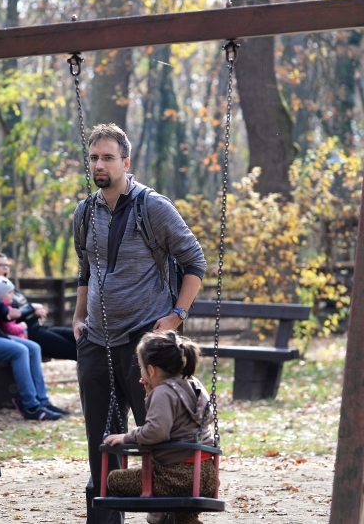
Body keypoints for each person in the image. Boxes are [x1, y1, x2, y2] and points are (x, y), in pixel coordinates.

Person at [73, 123, 206, 523]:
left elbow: (195, 261)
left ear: (126, 162)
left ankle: (167, 516)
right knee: (102, 444)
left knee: (160, 439)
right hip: (96, 341)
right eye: (94, 158)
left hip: (145, 341)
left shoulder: (153, 207)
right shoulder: (84, 212)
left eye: (108, 158)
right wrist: (79, 316)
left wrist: (177, 315)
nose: (99, 165)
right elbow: (86, 269)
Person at [104, 331, 218, 524]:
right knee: (185, 521)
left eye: (141, 367)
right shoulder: (194, 385)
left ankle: (158, 507)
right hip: (206, 476)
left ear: (151, 370)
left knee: (115, 479)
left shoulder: (163, 393)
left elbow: (156, 432)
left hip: (177, 478)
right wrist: (151, 396)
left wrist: (127, 437)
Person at [0, 242, 69, 420]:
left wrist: (29, 310)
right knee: (19, 350)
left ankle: (42, 401)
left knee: (33, 347)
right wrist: (6, 338)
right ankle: (30, 406)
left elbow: (2, 311)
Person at [0, 253, 77, 361]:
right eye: (1, 265)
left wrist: (35, 313)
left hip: (37, 327)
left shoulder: (10, 288)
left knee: (77, 336)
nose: (5, 268)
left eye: (7, 265)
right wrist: (32, 307)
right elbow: (12, 317)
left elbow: (22, 309)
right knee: (74, 350)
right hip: (28, 334)